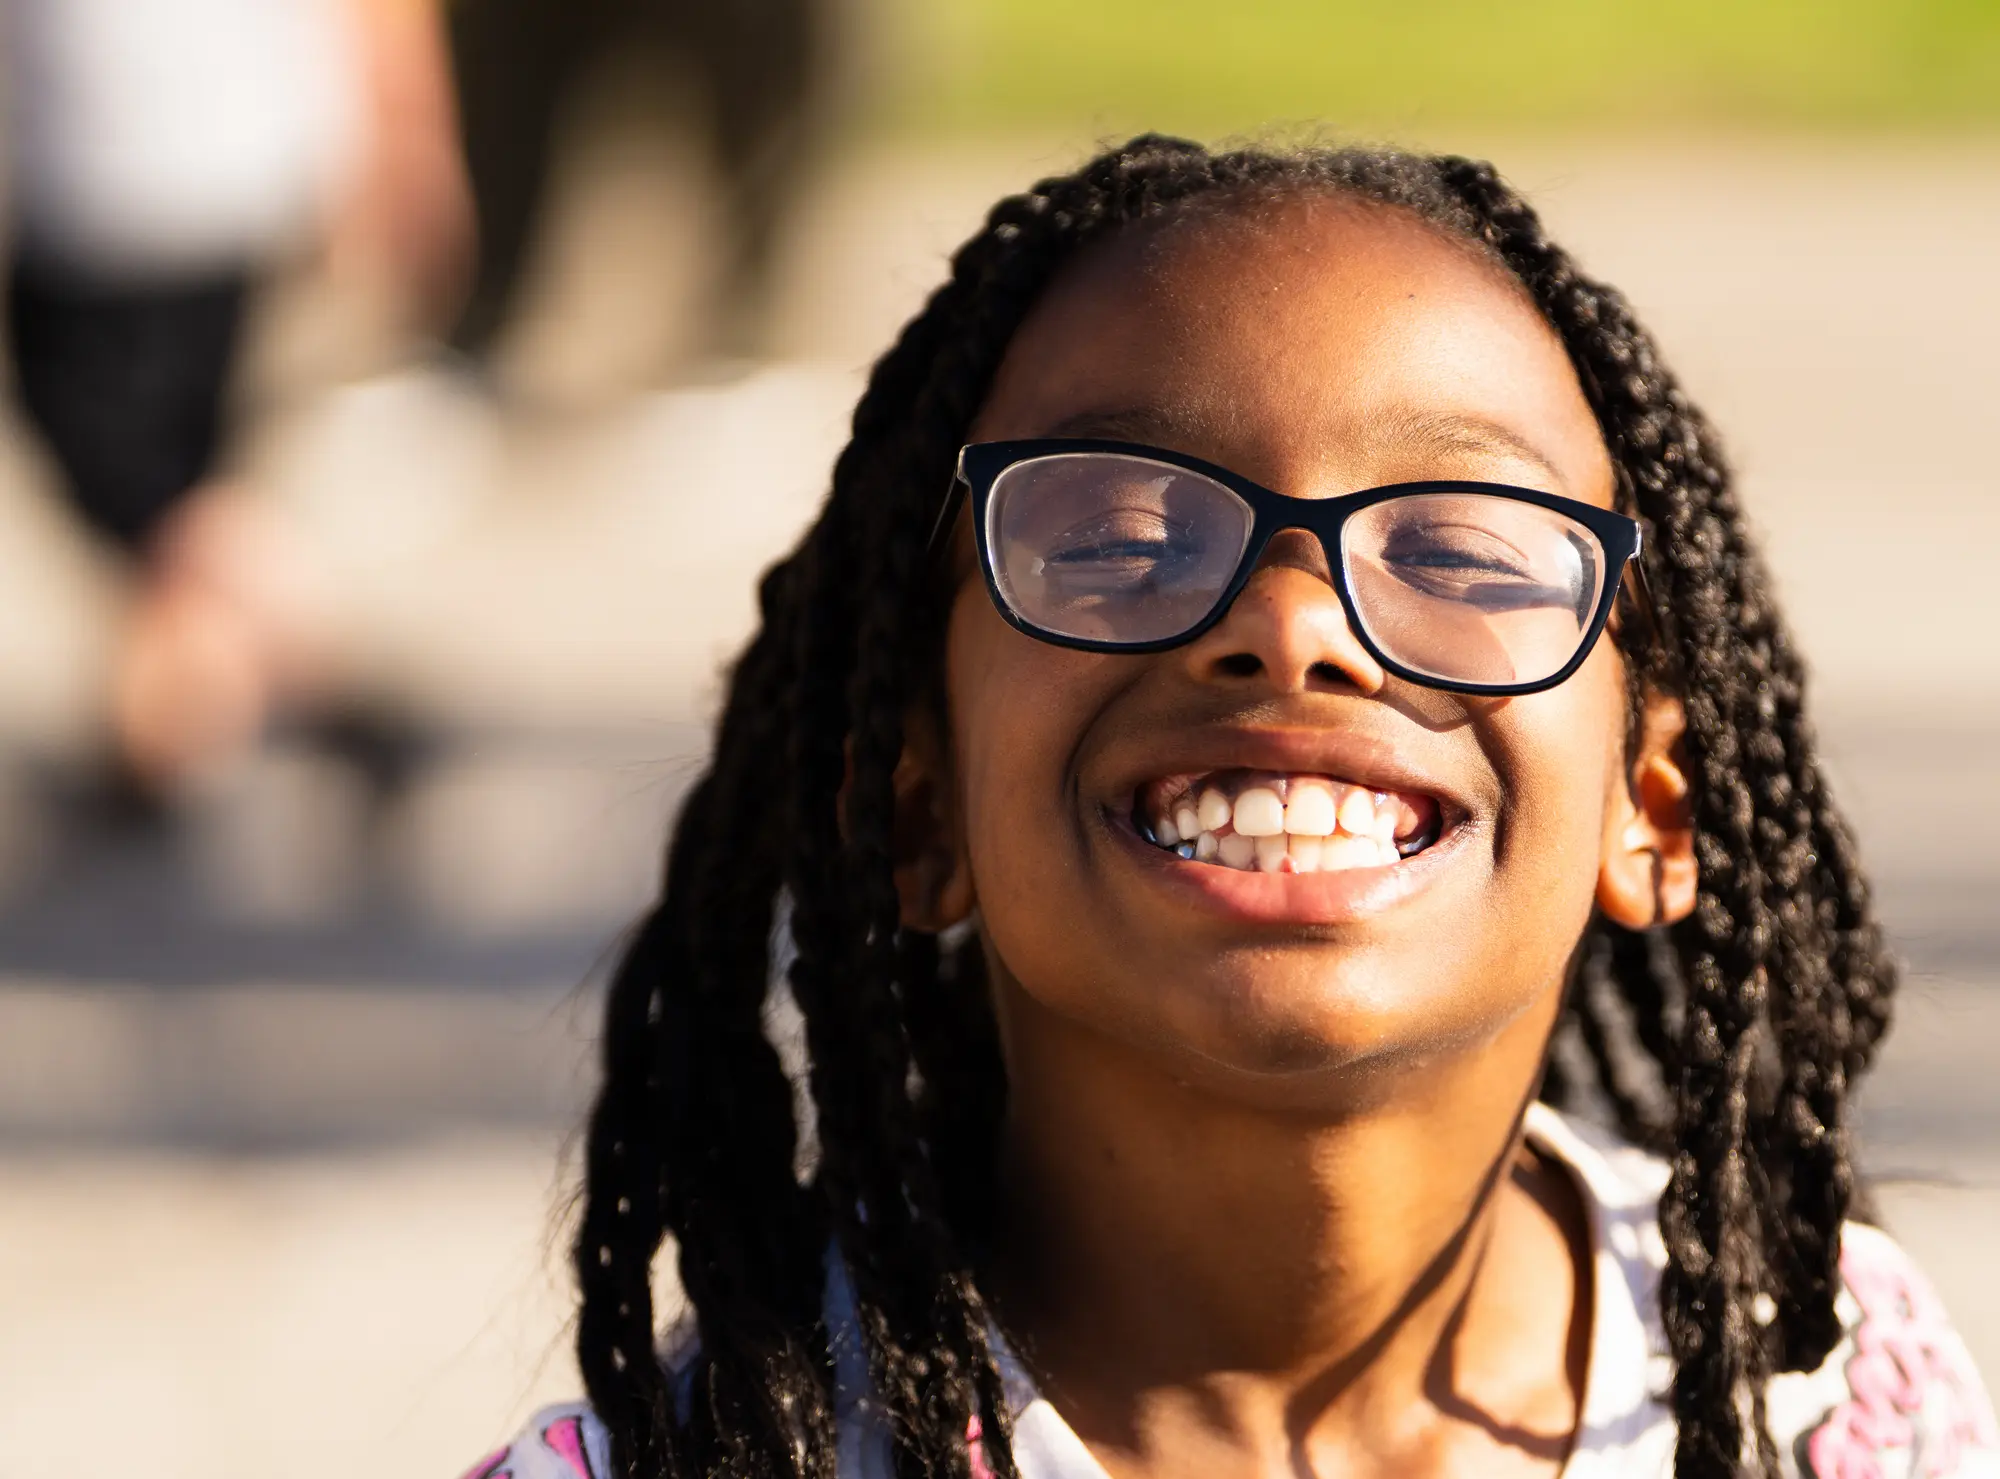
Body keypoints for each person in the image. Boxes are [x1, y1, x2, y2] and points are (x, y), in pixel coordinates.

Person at [467, 137, 1996, 1479]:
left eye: (1462, 552)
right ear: (914, 813)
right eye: (1120, 534)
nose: (1294, 619)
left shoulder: (1828, 1399)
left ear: (1657, 813)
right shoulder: (722, 1452)